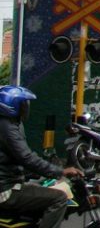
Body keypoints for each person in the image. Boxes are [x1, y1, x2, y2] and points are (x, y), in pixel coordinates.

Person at [0, 85, 84, 228]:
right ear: (11, 105)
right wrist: (60, 171)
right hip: (6, 189)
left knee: (45, 187)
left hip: (10, 183)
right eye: (23, 104)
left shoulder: (11, 124)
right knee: (59, 198)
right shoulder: (8, 128)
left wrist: (37, 173)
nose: (26, 108)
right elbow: (26, 157)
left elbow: (17, 159)